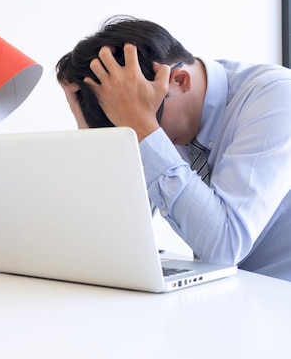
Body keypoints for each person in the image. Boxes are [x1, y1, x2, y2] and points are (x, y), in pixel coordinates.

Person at [56, 15, 291, 281]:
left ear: (180, 80)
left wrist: (145, 127)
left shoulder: (277, 96)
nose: (139, 137)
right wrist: (96, 139)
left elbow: (225, 248)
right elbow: (112, 239)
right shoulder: (163, 119)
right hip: (232, 295)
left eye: (141, 118)